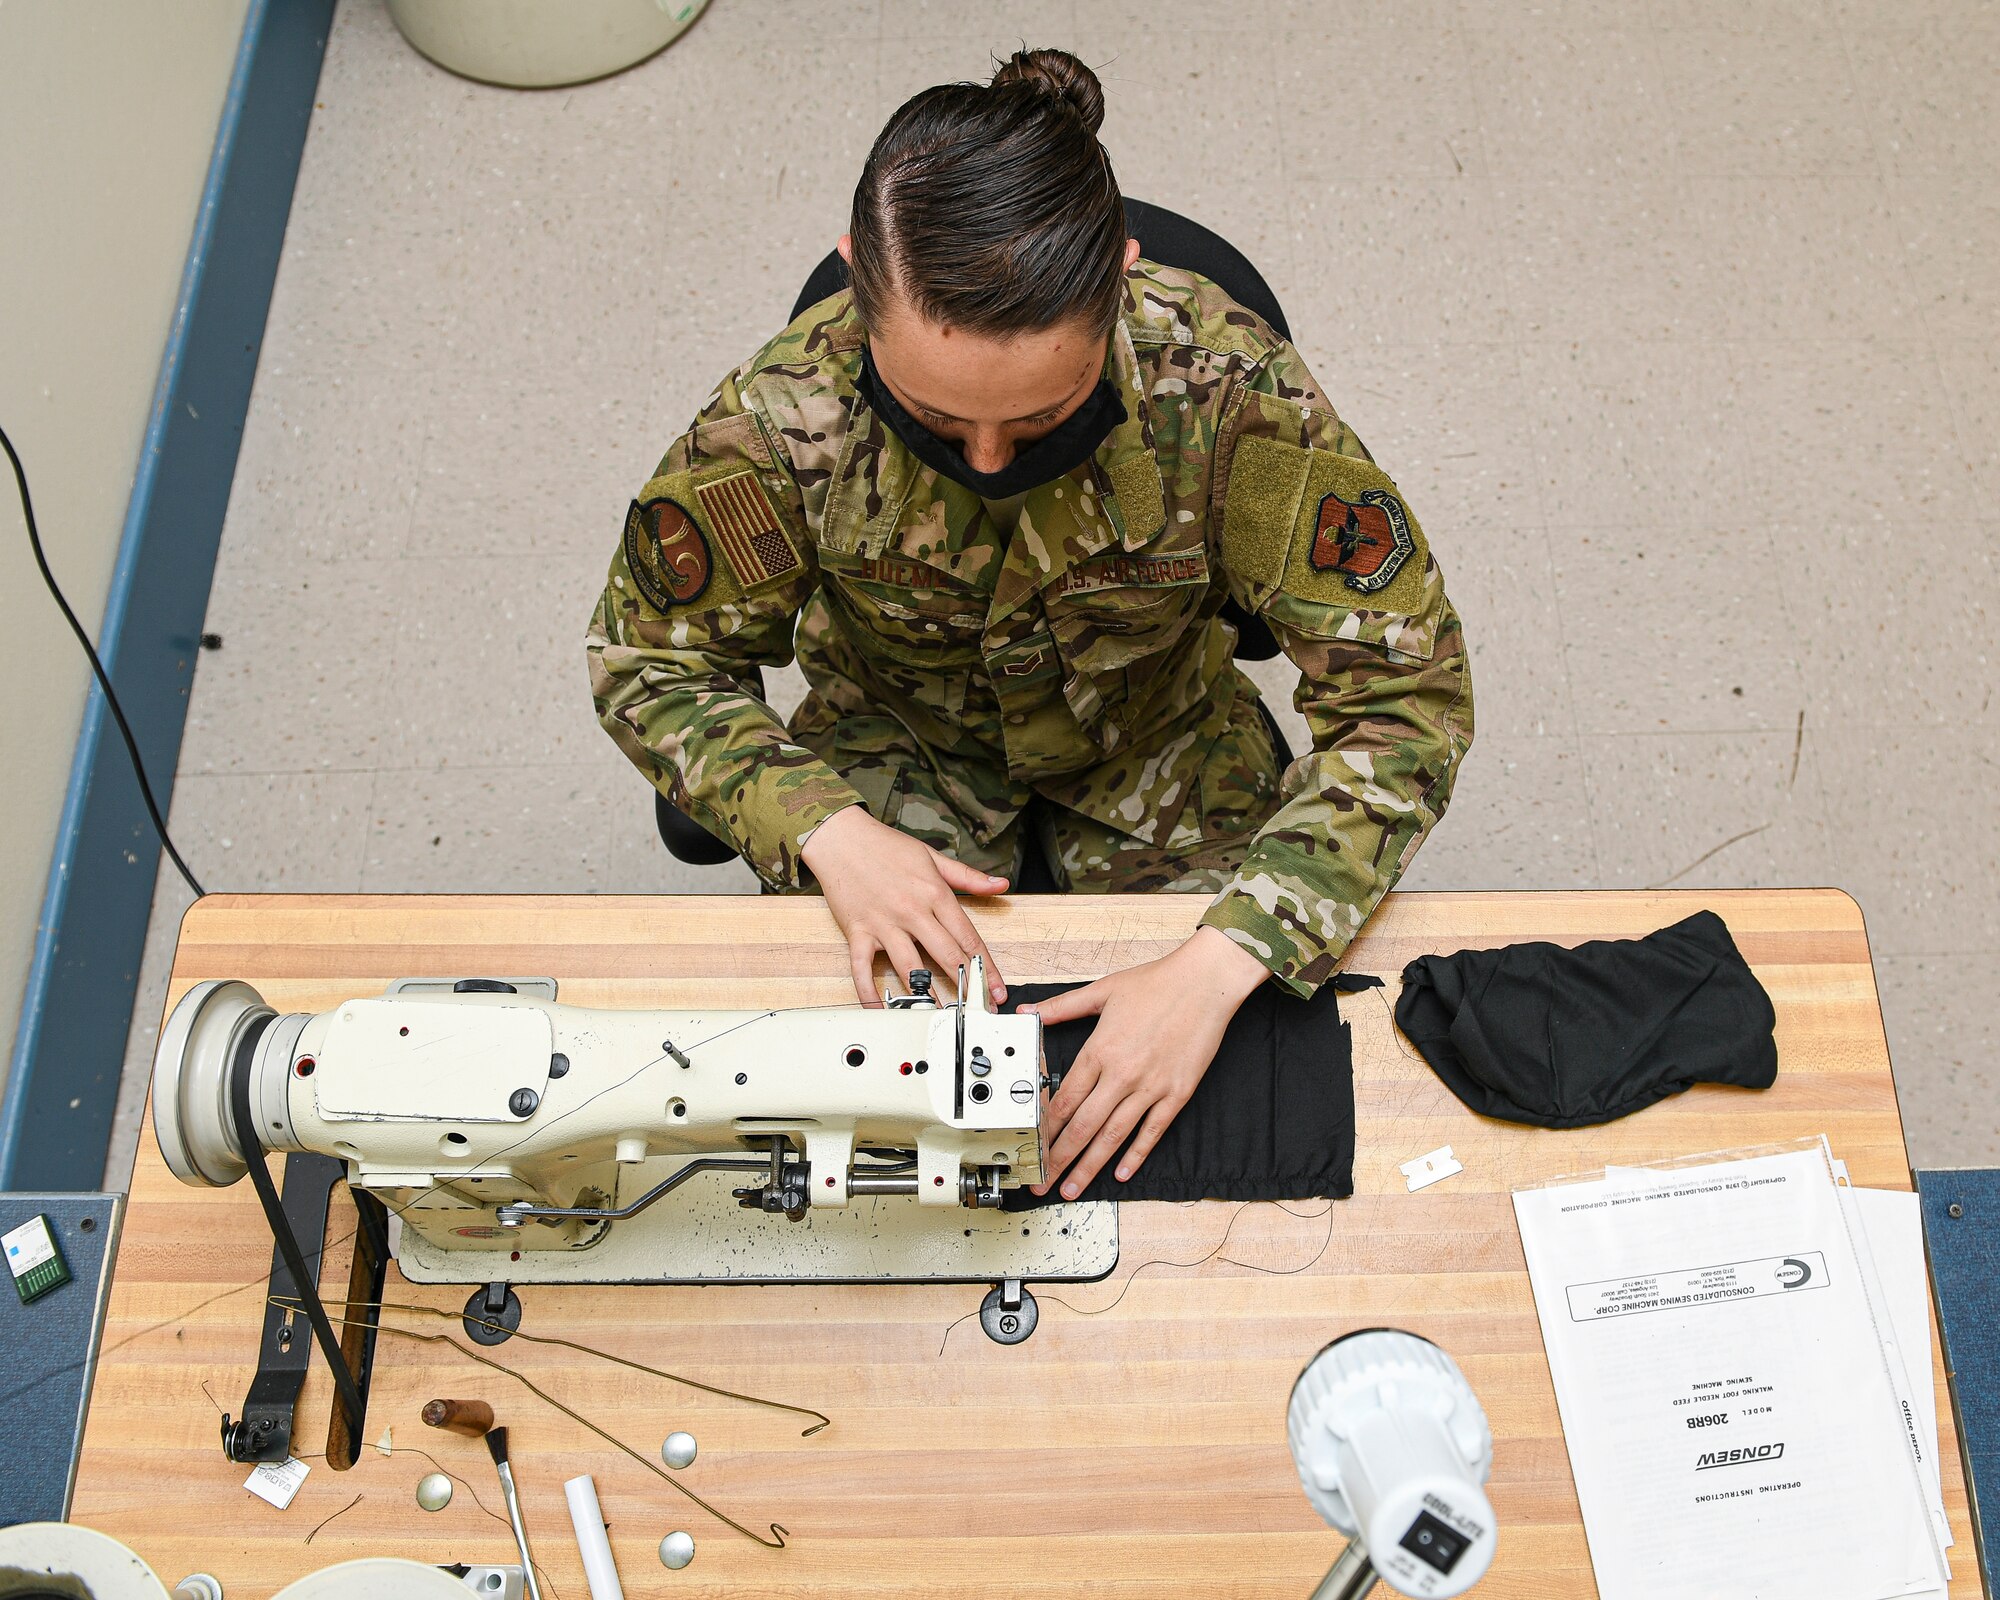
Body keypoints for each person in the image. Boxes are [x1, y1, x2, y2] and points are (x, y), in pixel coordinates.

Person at [587, 48, 1473, 1202]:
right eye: (935, 420)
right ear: (858, 283)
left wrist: (1224, 958)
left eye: (1044, 414)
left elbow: (1406, 697)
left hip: (1167, 754)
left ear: (1119, 274)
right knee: (851, 1164)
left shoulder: (1229, 393)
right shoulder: (777, 416)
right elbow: (650, 659)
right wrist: (823, 831)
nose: (992, 461)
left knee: (1234, 1153)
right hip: (889, 776)